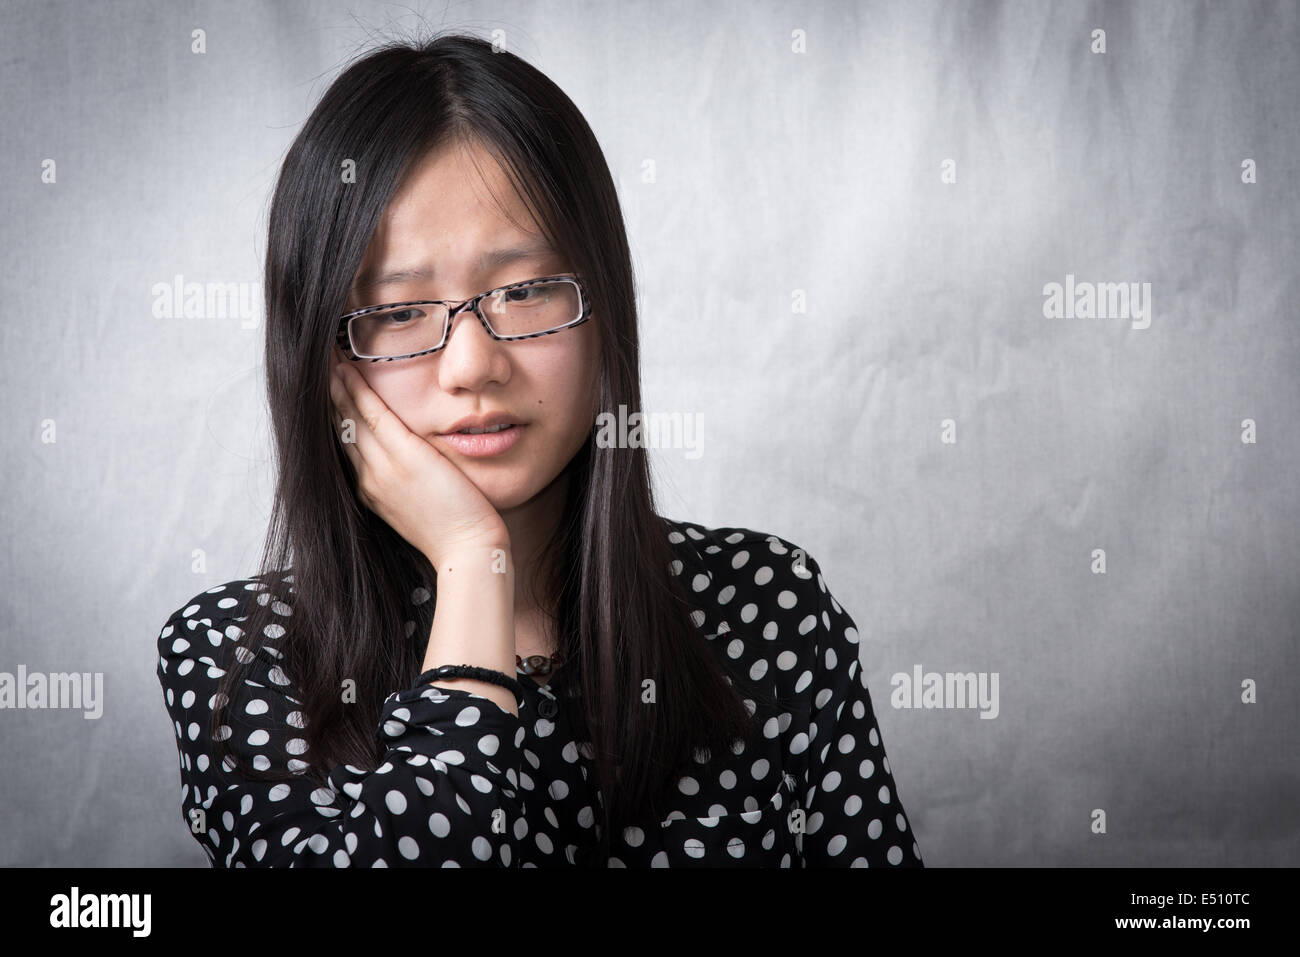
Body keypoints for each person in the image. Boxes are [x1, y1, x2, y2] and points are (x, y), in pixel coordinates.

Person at [155, 31, 923, 868]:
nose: (473, 364)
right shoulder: (241, 660)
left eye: (523, 292)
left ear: (605, 313)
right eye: (400, 312)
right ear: (323, 360)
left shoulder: (770, 608)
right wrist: (469, 557)